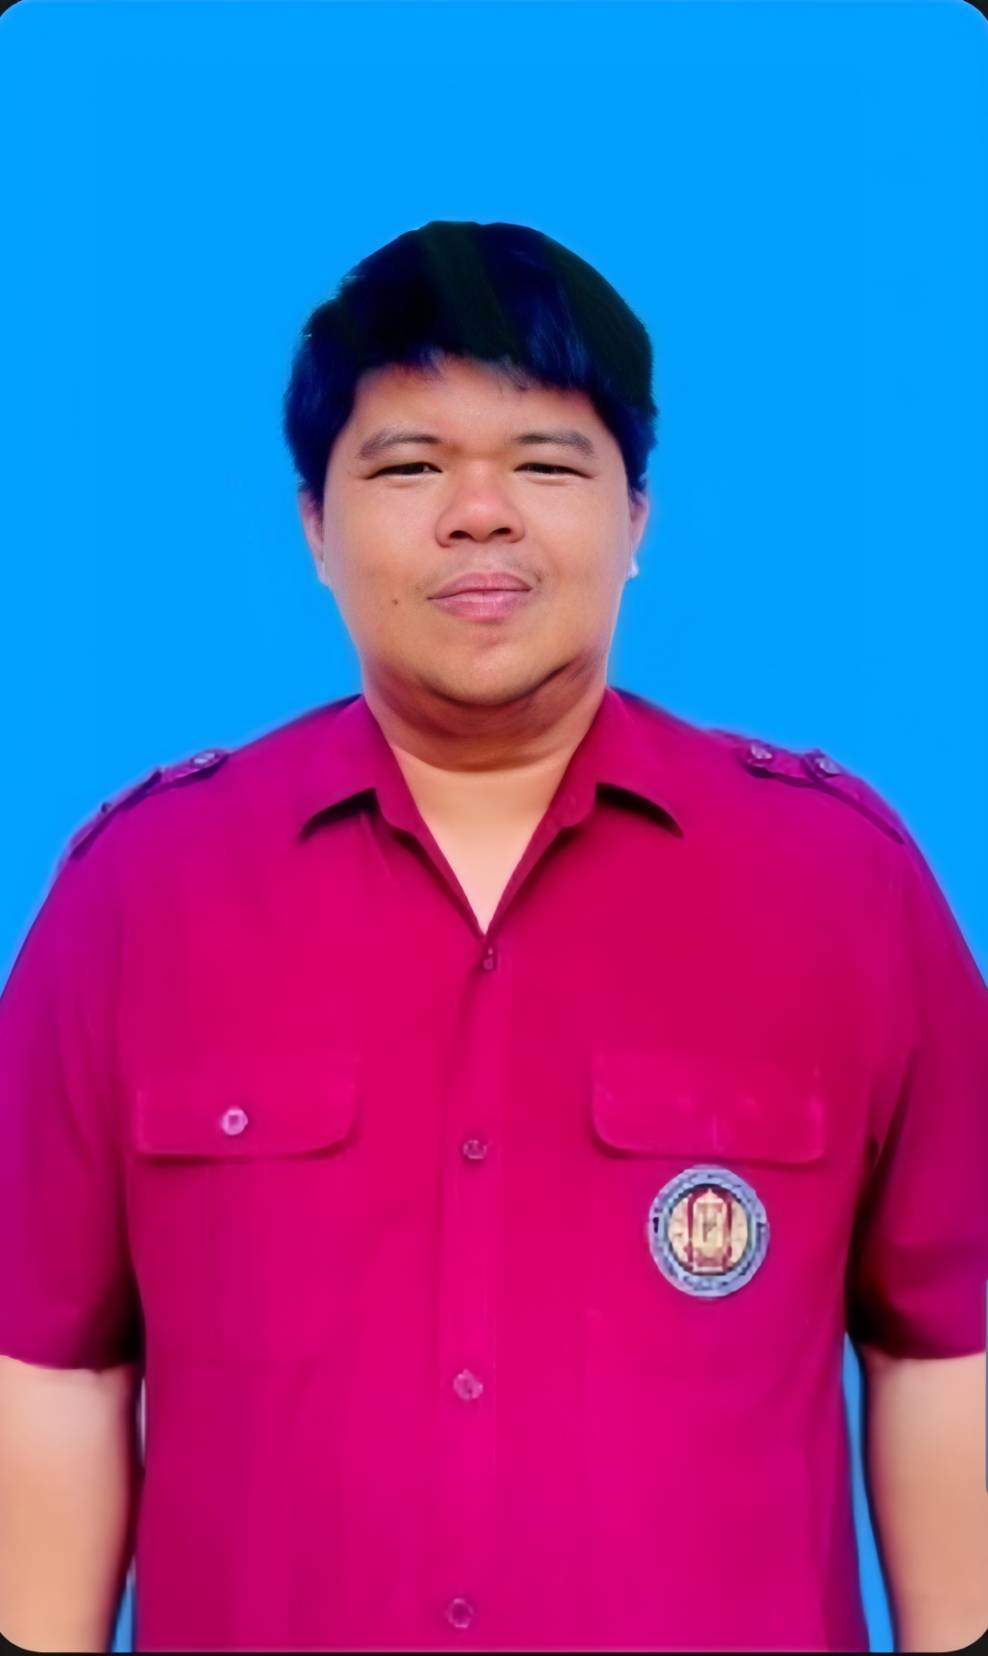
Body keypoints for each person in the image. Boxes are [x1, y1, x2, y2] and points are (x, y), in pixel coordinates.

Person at [0, 220, 985, 1655]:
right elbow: (53, 1368)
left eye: (545, 464)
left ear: (638, 520)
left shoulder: (842, 884)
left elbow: (945, 1345)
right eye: (409, 467)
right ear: (313, 527)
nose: (479, 515)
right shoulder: (139, 896)